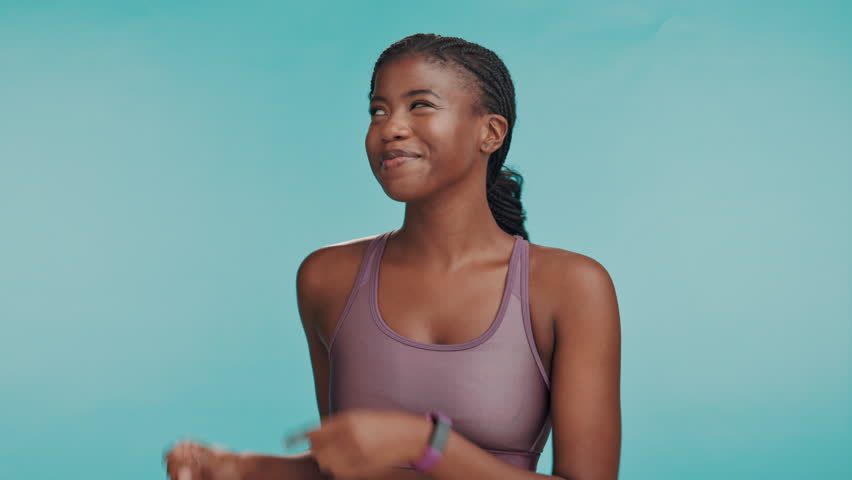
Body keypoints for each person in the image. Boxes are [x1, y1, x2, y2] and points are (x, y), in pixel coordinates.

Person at [165, 33, 622, 480]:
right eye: (377, 111)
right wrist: (235, 468)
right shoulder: (327, 278)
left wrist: (424, 445)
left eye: (419, 105)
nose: (390, 128)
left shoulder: (570, 287)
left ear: (490, 132)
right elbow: (344, 467)